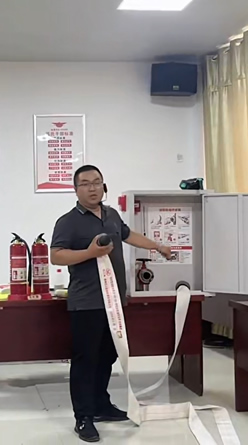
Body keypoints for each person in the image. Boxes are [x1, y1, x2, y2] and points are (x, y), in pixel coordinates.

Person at [50, 165, 172, 443]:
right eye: (85, 183)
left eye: (97, 182)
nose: (92, 188)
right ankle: (83, 417)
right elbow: (56, 255)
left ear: (104, 186)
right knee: (86, 360)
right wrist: (90, 252)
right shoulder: (68, 222)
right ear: (76, 190)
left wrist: (157, 246)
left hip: (114, 301)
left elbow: (128, 235)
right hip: (87, 303)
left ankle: (100, 405)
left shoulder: (112, 215)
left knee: (108, 355)